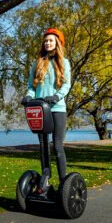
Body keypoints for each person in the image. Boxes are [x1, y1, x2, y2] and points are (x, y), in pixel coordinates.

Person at [21, 28, 72, 182]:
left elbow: (67, 84)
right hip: (40, 108)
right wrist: (28, 97)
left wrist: (56, 96)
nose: (48, 43)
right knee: (43, 146)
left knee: (57, 145)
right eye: (46, 41)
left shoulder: (64, 63)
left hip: (57, 108)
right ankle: (46, 179)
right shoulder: (37, 63)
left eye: (51, 40)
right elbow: (31, 86)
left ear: (57, 43)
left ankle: (64, 182)